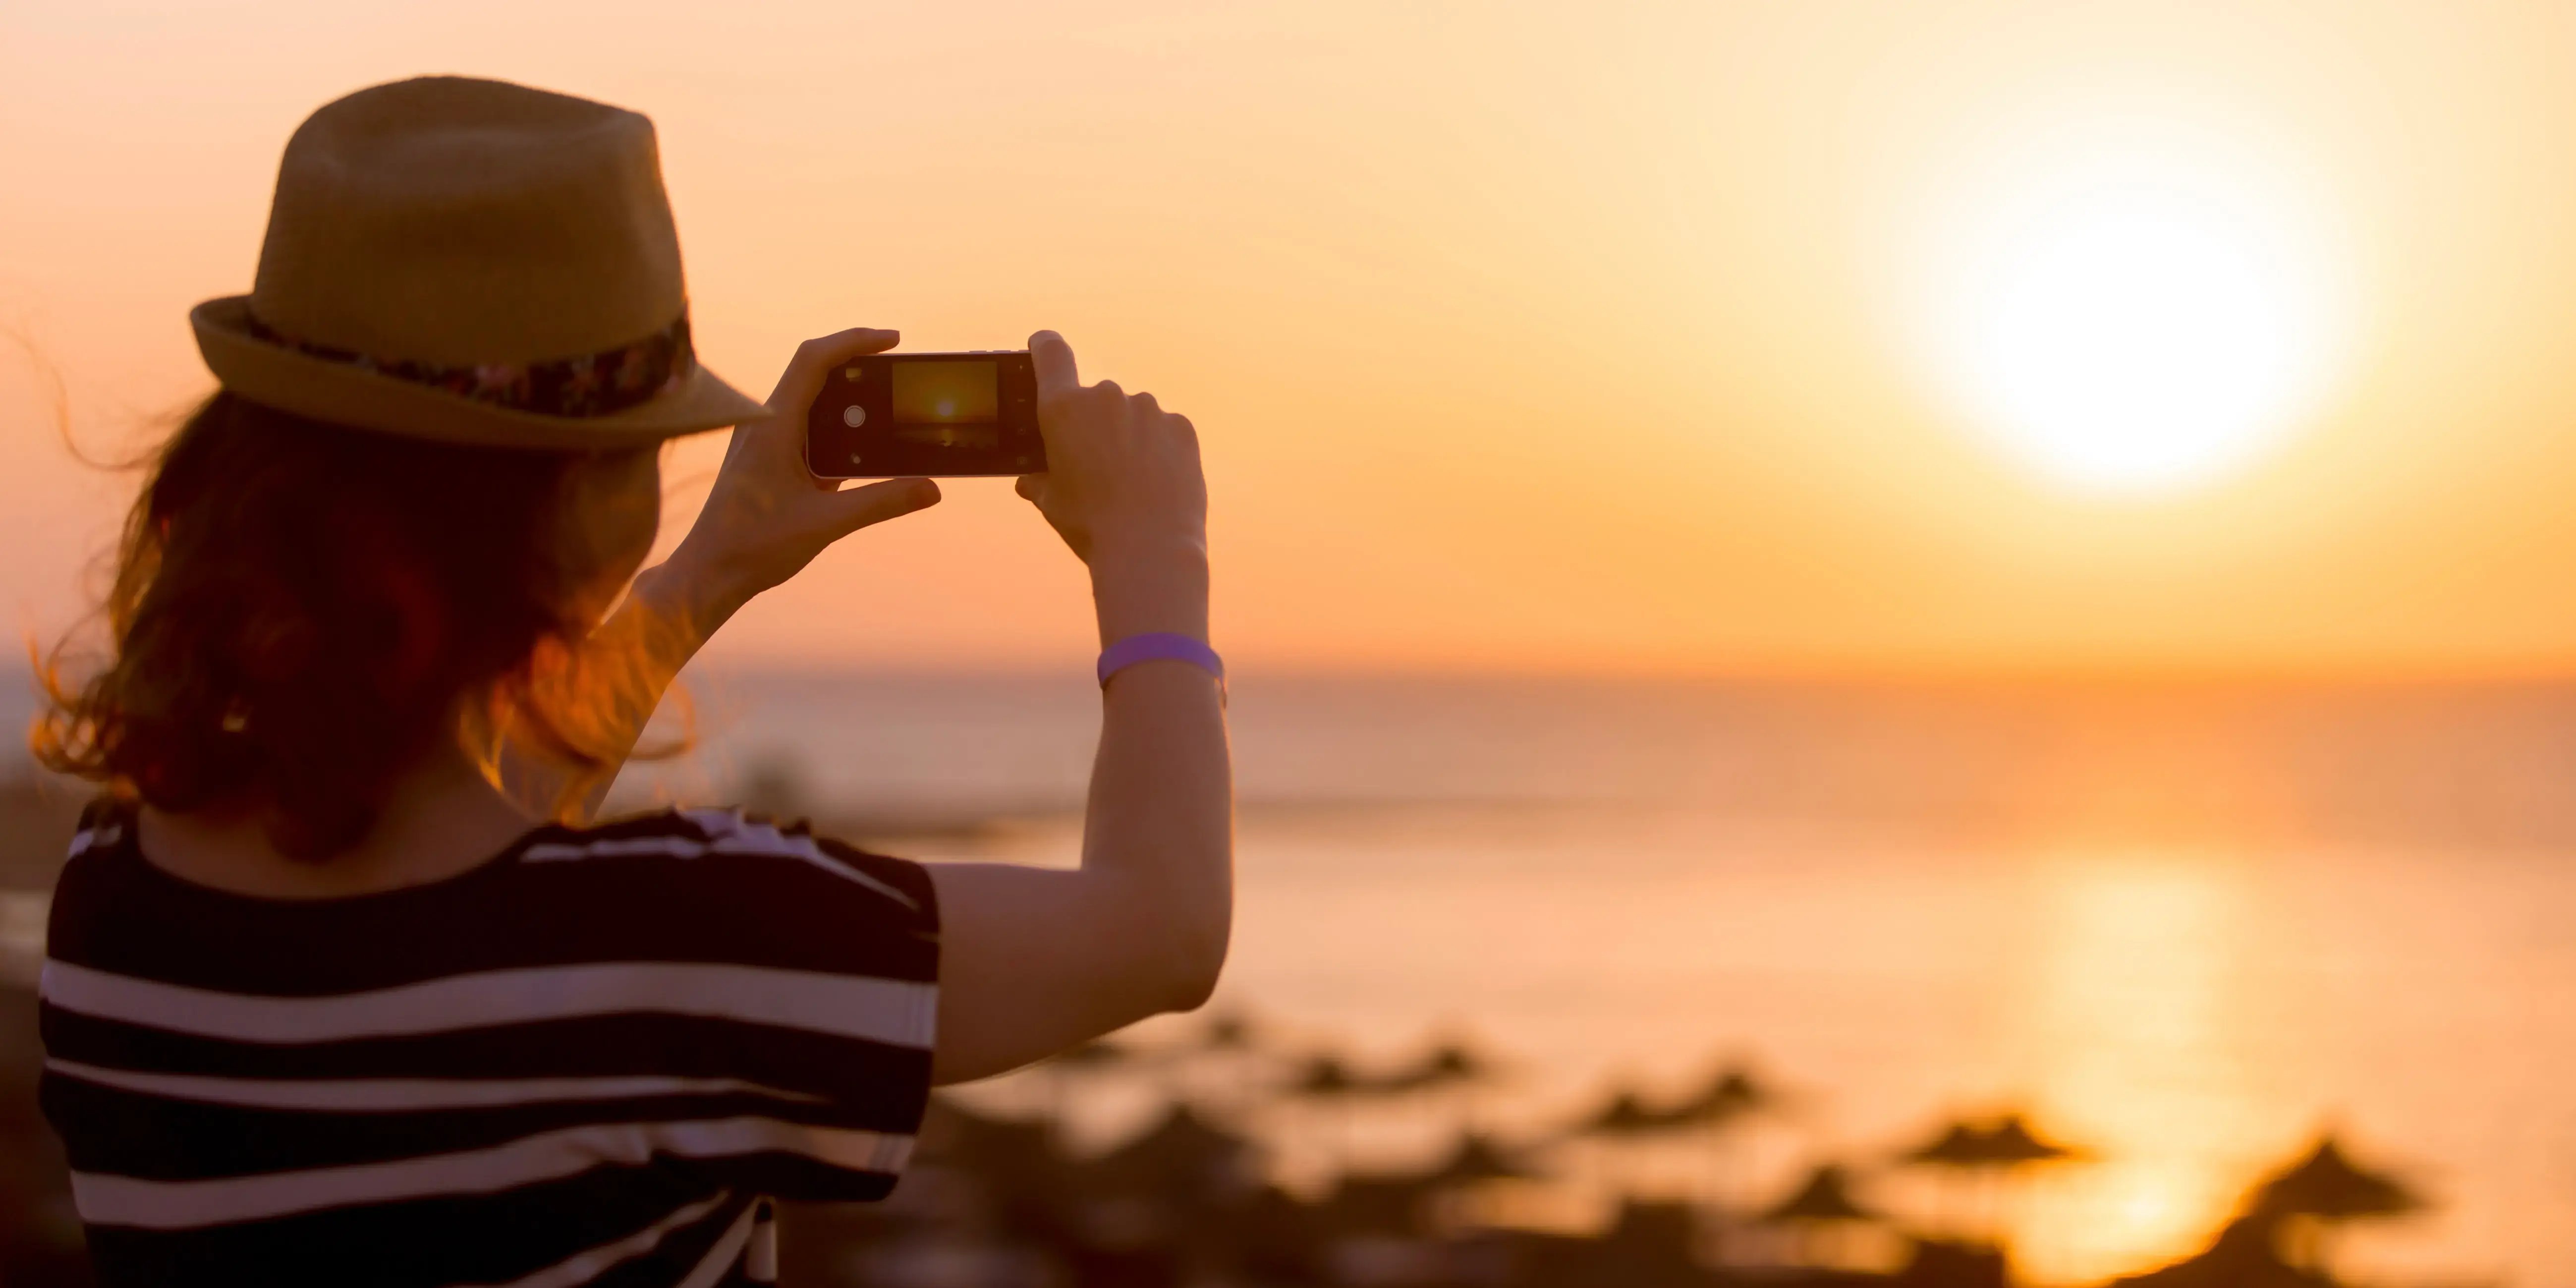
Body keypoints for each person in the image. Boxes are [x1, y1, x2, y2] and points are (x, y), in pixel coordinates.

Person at [30, 76, 1231, 1287]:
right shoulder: (685, 943)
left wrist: (712, 568)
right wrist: (1154, 561)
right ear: (583, 516)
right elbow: (1161, 929)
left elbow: (466, 875)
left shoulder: (112, 908)